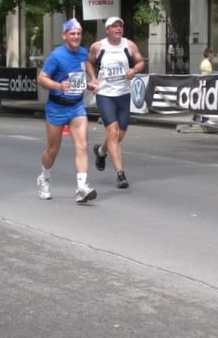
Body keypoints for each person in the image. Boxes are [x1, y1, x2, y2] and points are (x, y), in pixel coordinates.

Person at [35, 18, 97, 203]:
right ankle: (44, 178)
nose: (76, 36)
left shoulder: (83, 53)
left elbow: (85, 66)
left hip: (77, 106)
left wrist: (91, 81)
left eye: (78, 33)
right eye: (72, 33)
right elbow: (41, 78)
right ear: (64, 36)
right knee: (53, 149)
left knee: (82, 146)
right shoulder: (56, 56)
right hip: (56, 106)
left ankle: (81, 187)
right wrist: (58, 86)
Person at [86, 16, 146, 189]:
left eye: (120, 26)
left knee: (119, 136)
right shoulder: (98, 47)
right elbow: (89, 63)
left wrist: (134, 70)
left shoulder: (129, 45)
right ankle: (120, 174)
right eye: (114, 26)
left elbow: (140, 61)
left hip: (123, 94)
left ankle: (100, 151)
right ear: (107, 30)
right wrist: (93, 78)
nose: (118, 29)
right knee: (112, 133)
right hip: (105, 94)